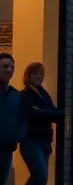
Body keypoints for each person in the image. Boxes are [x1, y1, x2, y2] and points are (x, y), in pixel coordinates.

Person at [19, 63, 62, 185]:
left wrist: (60, 113)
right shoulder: (23, 95)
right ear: (28, 76)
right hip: (31, 143)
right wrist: (48, 113)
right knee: (40, 175)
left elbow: (51, 113)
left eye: (40, 74)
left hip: (45, 143)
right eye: (35, 74)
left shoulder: (44, 95)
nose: (38, 77)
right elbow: (35, 114)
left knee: (42, 179)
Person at [0, 55, 27, 185]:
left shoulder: (15, 95)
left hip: (6, 151)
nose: (10, 70)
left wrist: (18, 136)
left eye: (12, 67)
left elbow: (23, 119)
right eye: (5, 66)